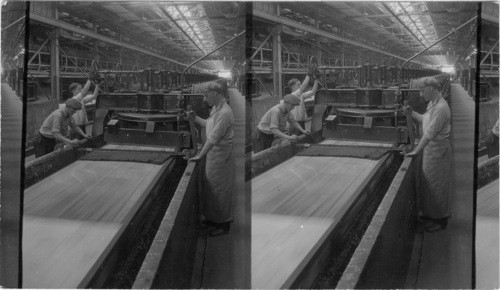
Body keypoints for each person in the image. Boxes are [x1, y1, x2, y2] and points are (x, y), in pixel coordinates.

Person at [403, 76, 452, 233]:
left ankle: (441, 220)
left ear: (432, 89)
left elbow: (430, 132)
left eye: (422, 90)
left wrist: (416, 150)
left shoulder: (441, 108)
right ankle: (432, 215)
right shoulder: (433, 103)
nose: (420, 94)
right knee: (430, 185)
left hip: (438, 152)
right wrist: (412, 113)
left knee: (438, 186)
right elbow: (425, 120)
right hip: (431, 151)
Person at [188, 82, 235, 237]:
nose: (204, 99)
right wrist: (195, 118)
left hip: (221, 157)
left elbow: (213, 138)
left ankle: (223, 225)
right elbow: (209, 125)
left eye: (206, 95)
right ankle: (213, 220)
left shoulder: (225, 113)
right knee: (212, 188)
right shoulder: (217, 109)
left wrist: (200, 155)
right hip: (214, 156)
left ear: (216, 93)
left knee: (220, 190)